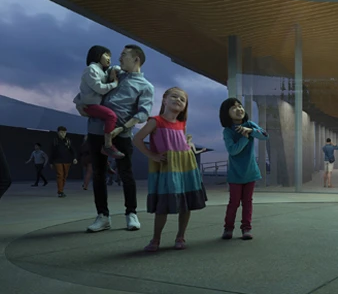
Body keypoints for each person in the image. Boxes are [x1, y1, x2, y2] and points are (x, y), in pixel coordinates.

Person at [78, 44, 154, 233]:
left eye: (124, 55)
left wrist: (120, 129)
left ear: (136, 59)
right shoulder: (114, 73)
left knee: (126, 174)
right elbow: (91, 87)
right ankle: (103, 216)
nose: (119, 59)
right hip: (96, 130)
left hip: (122, 134)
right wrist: (79, 104)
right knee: (98, 174)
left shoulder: (146, 86)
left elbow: (143, 113)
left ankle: (131, 214)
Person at [133, 87, 207, 251]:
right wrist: (151, 155)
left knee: (186, 203)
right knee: (163, 204)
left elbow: (182, 143)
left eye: (182, 100)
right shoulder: (155, 121)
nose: (178, 100)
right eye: (174, 96)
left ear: (185, 106)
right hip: (168, 168)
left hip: (186, 166)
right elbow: (137, 139)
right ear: (164, 100)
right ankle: (155, 239)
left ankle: (180, 236)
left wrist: (188, 146)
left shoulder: (182, 124)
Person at [220, 97, 268, 240]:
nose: (239, 109)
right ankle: (228, 228)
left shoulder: (249, 124)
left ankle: (246, 228)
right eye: (234, 107)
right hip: (235, 174)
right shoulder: (227, 131)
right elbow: (233, 150)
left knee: (247, 201)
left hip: (250, 172)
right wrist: (245, 137)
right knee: (234, 202)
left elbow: (265, 136)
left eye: (240, 106)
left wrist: (250, 130)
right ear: (226, 113)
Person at [74, 45, 123, 159]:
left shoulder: (100, 70)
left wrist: (116, 68)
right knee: (111, 116)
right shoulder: (91, 69)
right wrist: (114, 84)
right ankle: (108, 145)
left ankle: (104, 158)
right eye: (106, 55)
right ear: (97, 54)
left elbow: (109, 73)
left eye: (110, 56)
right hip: (90, 105)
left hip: (94, 105)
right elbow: (99, 87)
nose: (109, 58)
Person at [49, 126, 78, 197]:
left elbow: (72, 150)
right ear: (58, 132)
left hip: (67, 161)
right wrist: (50, 162)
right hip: (57, 161)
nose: (63, 134)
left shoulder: (68, 140)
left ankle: (61, 189)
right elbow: (51, 152)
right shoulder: (55, 141)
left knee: (65, 176)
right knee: (60, 175)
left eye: (64, 132)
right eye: (61, 132)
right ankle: (60, 191)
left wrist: (74, 158)